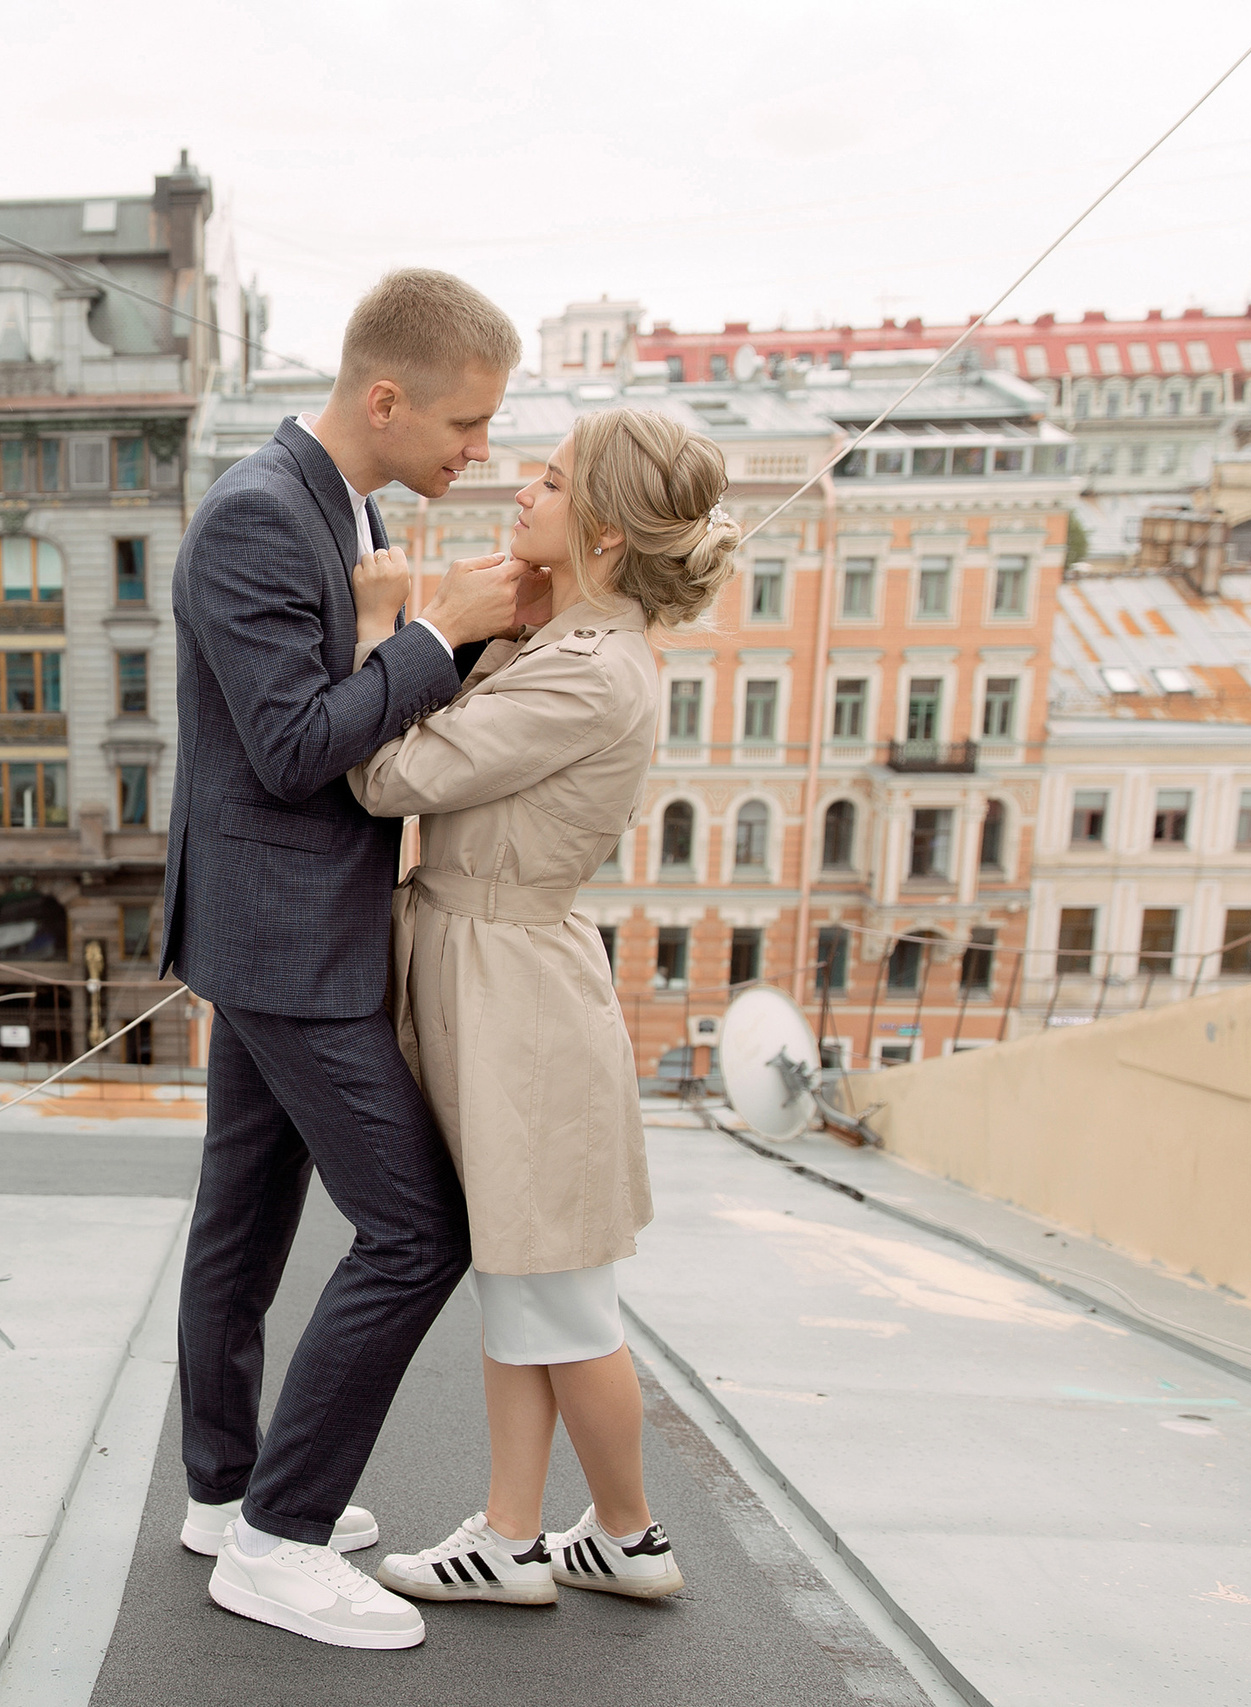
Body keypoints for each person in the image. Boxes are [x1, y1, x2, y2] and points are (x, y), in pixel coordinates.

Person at [159, 269, 529, 1650]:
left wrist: (408, 629)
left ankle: (222, 1489)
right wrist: (445, 635)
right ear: (386, 398)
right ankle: (278, 1535)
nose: (478, 450)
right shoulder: (259, 517)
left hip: (278, 922)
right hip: (287, 936)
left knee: (244, 1220)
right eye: (466, 424)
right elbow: (302, 745)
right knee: (420, 1225)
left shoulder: (345, 505)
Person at [346, 406, 741, 1608]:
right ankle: (515, 1534)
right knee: (525, 1280)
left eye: (554, 481)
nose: (524, 487)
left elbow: (385, 776)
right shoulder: (571, 641)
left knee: (563, 1295)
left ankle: (625, 1533)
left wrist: (387, 630)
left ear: (606, 531)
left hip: (516, 992)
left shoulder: (587, 670)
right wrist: (485, 631)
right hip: (498, 972)